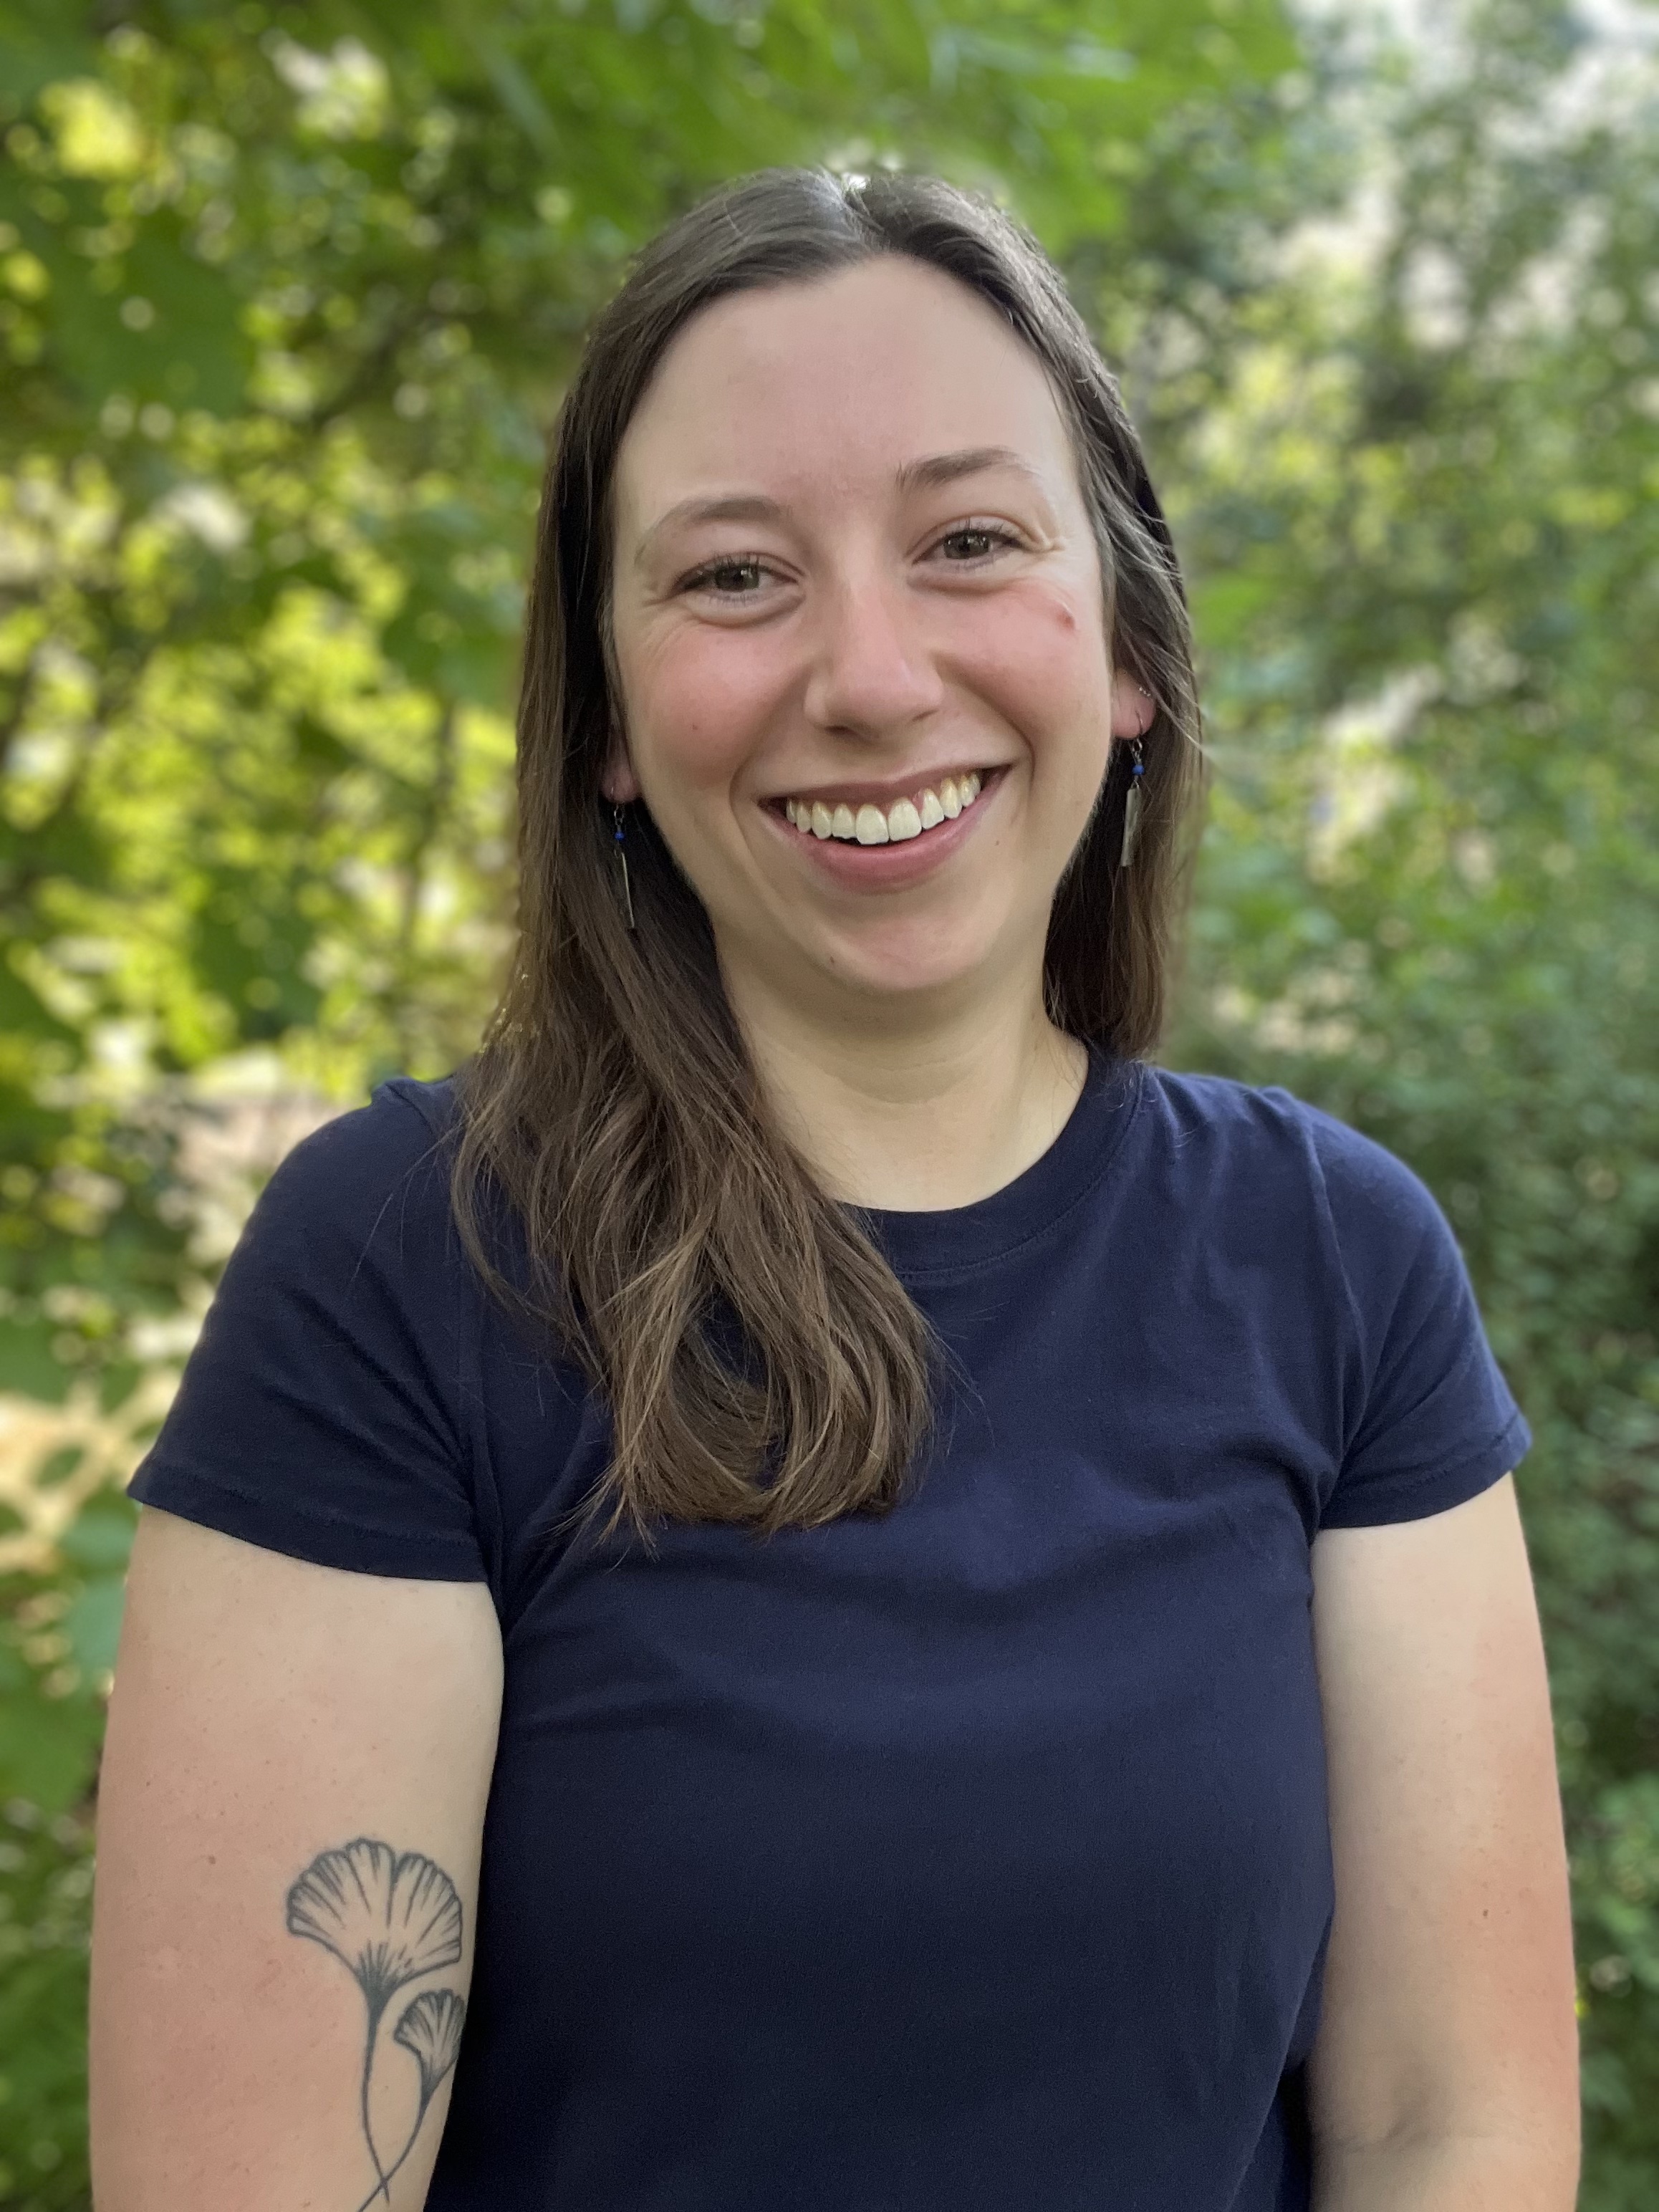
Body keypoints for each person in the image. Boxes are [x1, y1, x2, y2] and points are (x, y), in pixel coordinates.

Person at [88, 168, 1580, 2212]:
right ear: (605, 720)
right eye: (732, 577)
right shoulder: (403, 1269)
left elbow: (1448, 2129)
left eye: (968, 541)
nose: (870, 675)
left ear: (1127, 648)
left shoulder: (1334, 1263)